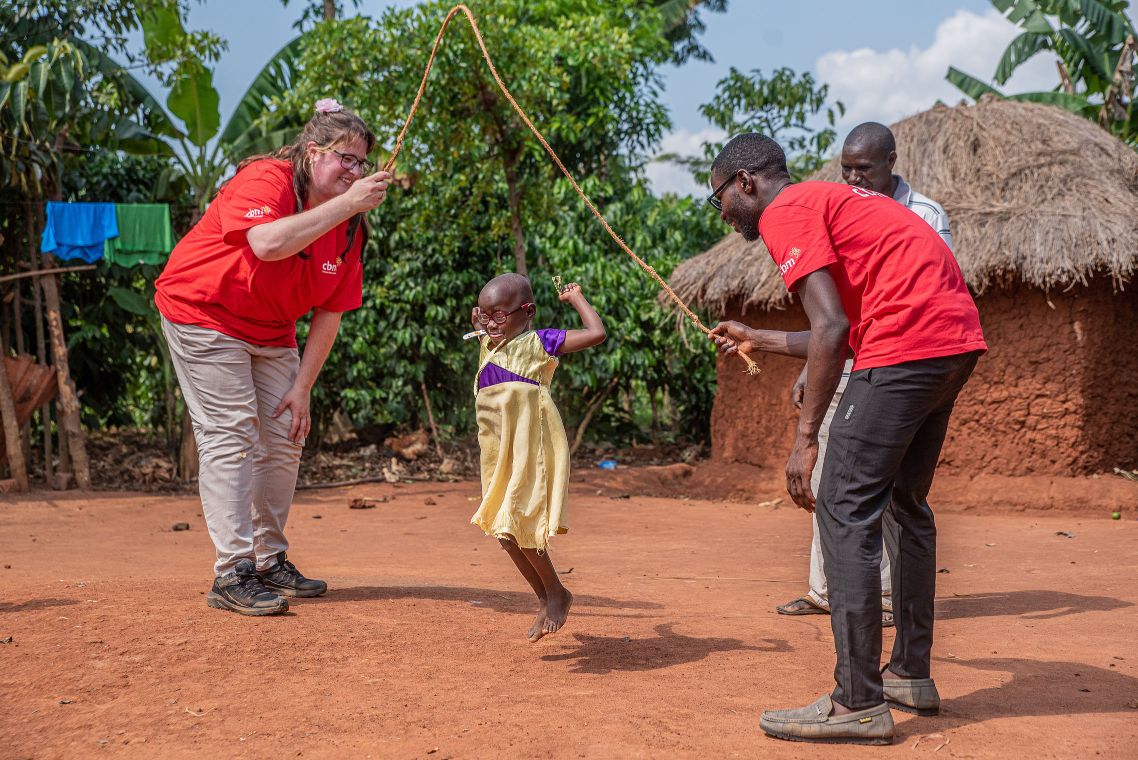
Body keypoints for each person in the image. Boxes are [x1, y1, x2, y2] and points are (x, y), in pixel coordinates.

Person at [707, 133, 986, 745]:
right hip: (951, 343)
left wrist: (806, 439)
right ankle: (909, 673)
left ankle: (856, 701)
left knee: (841, 506)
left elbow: (832, 325)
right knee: (905, 506)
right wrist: (759, 335)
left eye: (718, 198)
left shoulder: (786, 212)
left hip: (905, 348)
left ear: (745, 182)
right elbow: (839, 328)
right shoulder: (831, 202)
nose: (723, 213)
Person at [155, 99, 392, 616]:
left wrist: (302, 386)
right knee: (233, 433)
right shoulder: (268, 180)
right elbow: (266, 243)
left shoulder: (351, 228)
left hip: (271, 329)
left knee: (287, 433)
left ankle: (269, 559)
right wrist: (350, 202)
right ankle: (231, 572)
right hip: (204, 313)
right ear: (312, 153)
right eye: (343, 158)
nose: (354, 171)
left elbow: (331, 310)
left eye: (361, 163)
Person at [776, 122, 956, 623]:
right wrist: (817, 367)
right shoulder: (838, 208)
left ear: (891, 162)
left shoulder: (923, 215)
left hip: (898, 353)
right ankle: (826, 590)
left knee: (882, 487)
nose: (855, 177)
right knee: (830, 472)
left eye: (865, 168)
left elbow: (932, 288)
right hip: (847, 352)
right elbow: (830, 307)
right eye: (847, 168)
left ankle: (883, 599)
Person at [469, 273, 605, 642]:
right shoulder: (488, 342)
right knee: (503, 531)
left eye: (499, 315)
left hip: (532, 448)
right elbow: (486, 328)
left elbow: (596, 333)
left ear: (526, 312)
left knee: (521, 520)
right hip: (498, 452)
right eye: (483, 316)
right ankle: (548, 596)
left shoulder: (539, 342)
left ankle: (557, 594)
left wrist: (575, 298)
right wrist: (483, 324)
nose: (491, 324)